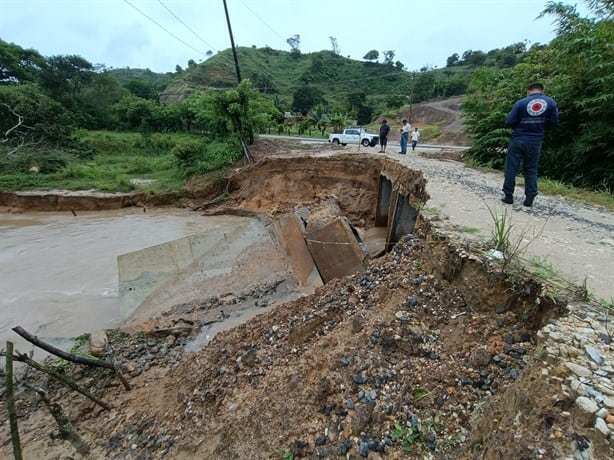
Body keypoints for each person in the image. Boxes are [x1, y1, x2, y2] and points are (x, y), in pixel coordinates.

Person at [501, 82, 559, 207]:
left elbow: (510, 121)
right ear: (543, 90)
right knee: (531, 169)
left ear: (528, 91)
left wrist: (520, 126)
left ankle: (508, 196)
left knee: (511, 168)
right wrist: (541, 127)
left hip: (518, 139)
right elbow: (554, 122)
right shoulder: (551, 103)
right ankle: (530, 198)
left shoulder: (520, 103)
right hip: (536, 140)